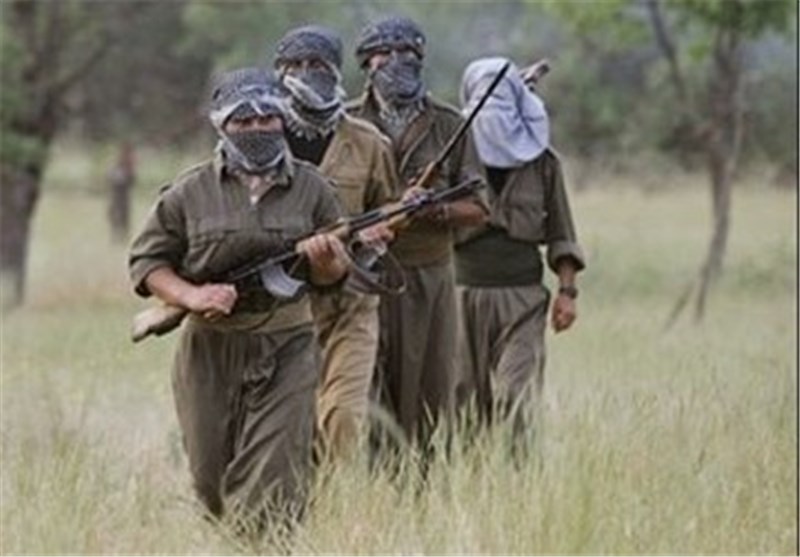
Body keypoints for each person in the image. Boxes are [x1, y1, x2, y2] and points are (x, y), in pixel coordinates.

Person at [128, 67, 350, 531]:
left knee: (275, 470)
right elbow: (148, 263)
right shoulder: (189, 191)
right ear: (222, 125)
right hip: (210, 347)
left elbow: (335, 275)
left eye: (267, 118)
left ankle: (268, 543)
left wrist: (324, 259)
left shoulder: (313, 188)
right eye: (243, 121)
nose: (256, 128)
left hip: (287, 343)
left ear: (283, 120)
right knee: (210, 478)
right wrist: (192, 295)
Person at [347, 15, 488, 452]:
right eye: (384, 53)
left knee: (429, 392)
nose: (396, 61)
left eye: (407, 52)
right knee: (364, 390)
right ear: (366, 63)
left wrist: (433, 209)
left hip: (428, 278)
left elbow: (480, 208)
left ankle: (421, 480)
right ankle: (371, 479)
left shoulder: (449, 124)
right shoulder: (344, 122)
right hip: (360, 276)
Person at [272, 24, 399, 463]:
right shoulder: (260, 139)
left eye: (318, 64)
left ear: (337, 71)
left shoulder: (367, 142)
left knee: (344, 415)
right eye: (295, 64)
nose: (307, 73)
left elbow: (389, 208)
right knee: (292, 421)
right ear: (279, 72)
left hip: (351, 303)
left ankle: (339, 498)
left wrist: (377, 234)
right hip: (284, 307)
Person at [454, 57, 586, 448]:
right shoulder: (453, 154)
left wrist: (567, 293)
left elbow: (562, 231)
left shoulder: (542, 161)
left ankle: (520, 474)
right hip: (461, 295)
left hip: (522, 299)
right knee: (463, 402)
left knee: (517, 396)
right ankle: (471, 480)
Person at [108, 141, 136, 244]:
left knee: (123, 216)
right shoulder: (118, 163)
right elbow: (110, 176)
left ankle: (122, 237)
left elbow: (132, 179)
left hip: (123, 194)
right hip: (117, 194)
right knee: (115, 215)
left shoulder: (129, 165)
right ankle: (116, 236)